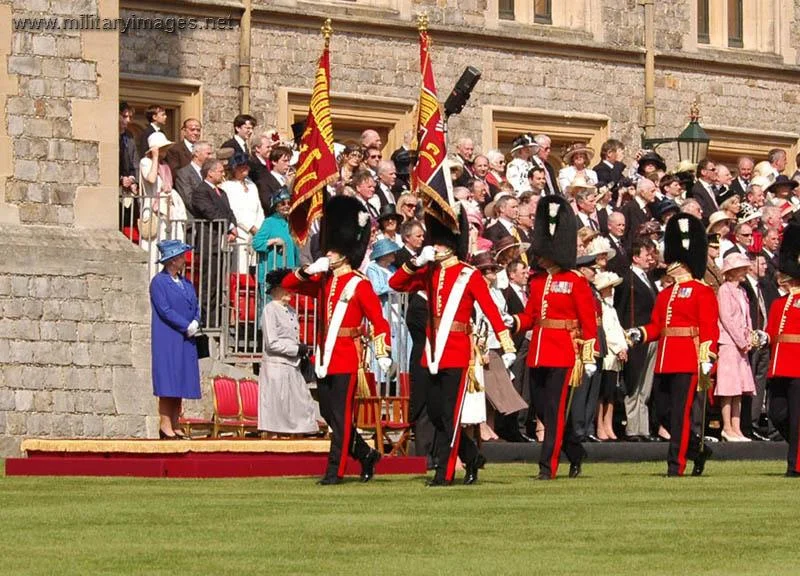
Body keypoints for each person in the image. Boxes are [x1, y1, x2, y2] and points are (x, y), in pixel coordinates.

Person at [390, 207, 517, 486]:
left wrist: (506, 343)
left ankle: (444, 473)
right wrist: (415, 262)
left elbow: (490, 309)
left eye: (437, 243)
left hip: (458, 351)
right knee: (436, 414)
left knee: (449, 414)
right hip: (433, 352)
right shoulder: (429, 271)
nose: (433, 247)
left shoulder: (468, 274)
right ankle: (471, 456)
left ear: (449, 246)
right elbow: (396, 282)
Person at [281, 196, 390, 485]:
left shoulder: (359, 284)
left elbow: (379, 322)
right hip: (324, 357)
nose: (328, 253)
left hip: (346, 357)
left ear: (345, 252)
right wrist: (307, 270)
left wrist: (383, 352)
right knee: (330, 413)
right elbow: (288, 284)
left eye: (332, 250)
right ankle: (365, 454)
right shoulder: (324, 280)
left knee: (340, 419)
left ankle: (335, 471)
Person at [512, 195, 599, 480]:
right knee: (543, 409)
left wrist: (589, 355)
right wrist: (512, 321)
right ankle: (574, 450)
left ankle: (546, 467)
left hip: (564, 352)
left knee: (555, 410)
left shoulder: (575, 281)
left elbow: (588, 322)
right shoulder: (537, 282)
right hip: (539, 350)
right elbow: (530, 316)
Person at [628, 214, 719, 476]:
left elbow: (709, 327)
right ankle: (696, 450)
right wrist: (640, 333)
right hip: (666, 359)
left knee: (680, 414)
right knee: (664, 413)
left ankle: (675, 465)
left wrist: (706, 357)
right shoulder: (666, 293)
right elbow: (658, 326)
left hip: (688, 359)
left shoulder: (702, 291)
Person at [149, 240, 201, 440]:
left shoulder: (186, 282)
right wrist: (184, 325)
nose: (184, 259)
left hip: (186, 337)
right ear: (171, 260)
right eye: (180, 256)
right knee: (168, 381)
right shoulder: (159, 282)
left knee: (180, 380)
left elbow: (196, 304)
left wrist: (196, 321)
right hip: (168, 336)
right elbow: (164, 310)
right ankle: (165, 424)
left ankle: (176, 423)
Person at [258, 269, 319, 436]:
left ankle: (300, 435)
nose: (291, 292)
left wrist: (301, 350)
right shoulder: (270, 310)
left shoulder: (291, 311)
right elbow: (272, 343)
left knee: (302, 403)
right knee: (278, 407)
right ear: (277, 289)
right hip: (277, 365)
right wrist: (295, 349)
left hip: (293, 364)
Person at [766, 222, 800, 476]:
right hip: (778, 366)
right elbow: (772, 333)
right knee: (778, 414)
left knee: (798, 418)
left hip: (797, 365)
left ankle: (794, 466)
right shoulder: (779, 303)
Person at [716, 253, 757, 442]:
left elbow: (745, 318)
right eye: (741, 269)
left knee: (739, 387)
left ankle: (737, 427)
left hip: (741, 344)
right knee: (728, 387)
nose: (745, 272)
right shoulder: (724, 290)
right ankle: (726, 427)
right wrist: (741, 340)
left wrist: (749, 337)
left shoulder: (742, 291)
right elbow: (727, 318)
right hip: (729, 343)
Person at [594, 271, 627, 441]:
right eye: (608, 288)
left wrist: (624, 347)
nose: (611, 291)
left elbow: (617, 331)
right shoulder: (601, 308)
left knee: (611, 392)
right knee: (603, 392)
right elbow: (605, 332)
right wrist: (617, 348)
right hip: (608, 354)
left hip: (616, 356)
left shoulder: (611, 308)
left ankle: (608, 424)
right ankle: (599, 424)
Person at [253, 188, 299, 300]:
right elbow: (256, 243)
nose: (287, 206)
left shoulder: (291, 223)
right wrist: (273, 241)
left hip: (287, 274)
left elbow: (295, 250)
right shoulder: (269, 222)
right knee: (268, 309)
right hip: (271, 274)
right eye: (283, 203)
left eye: (289, 203)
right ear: (276, 206)